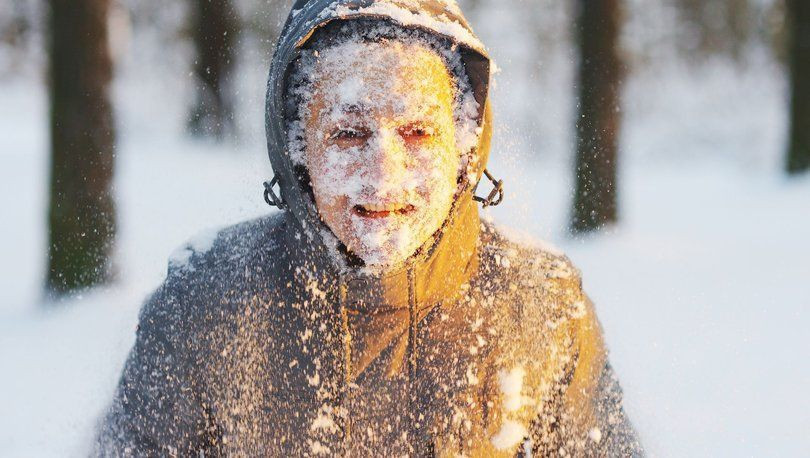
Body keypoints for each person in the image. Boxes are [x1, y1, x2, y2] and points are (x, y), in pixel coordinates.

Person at [95, 0, 642, 456]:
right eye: (349, 135)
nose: (384, 177)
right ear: (297, 150)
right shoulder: (207, 302)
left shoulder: (536, 303)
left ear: (465, 146)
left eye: (417, 133)